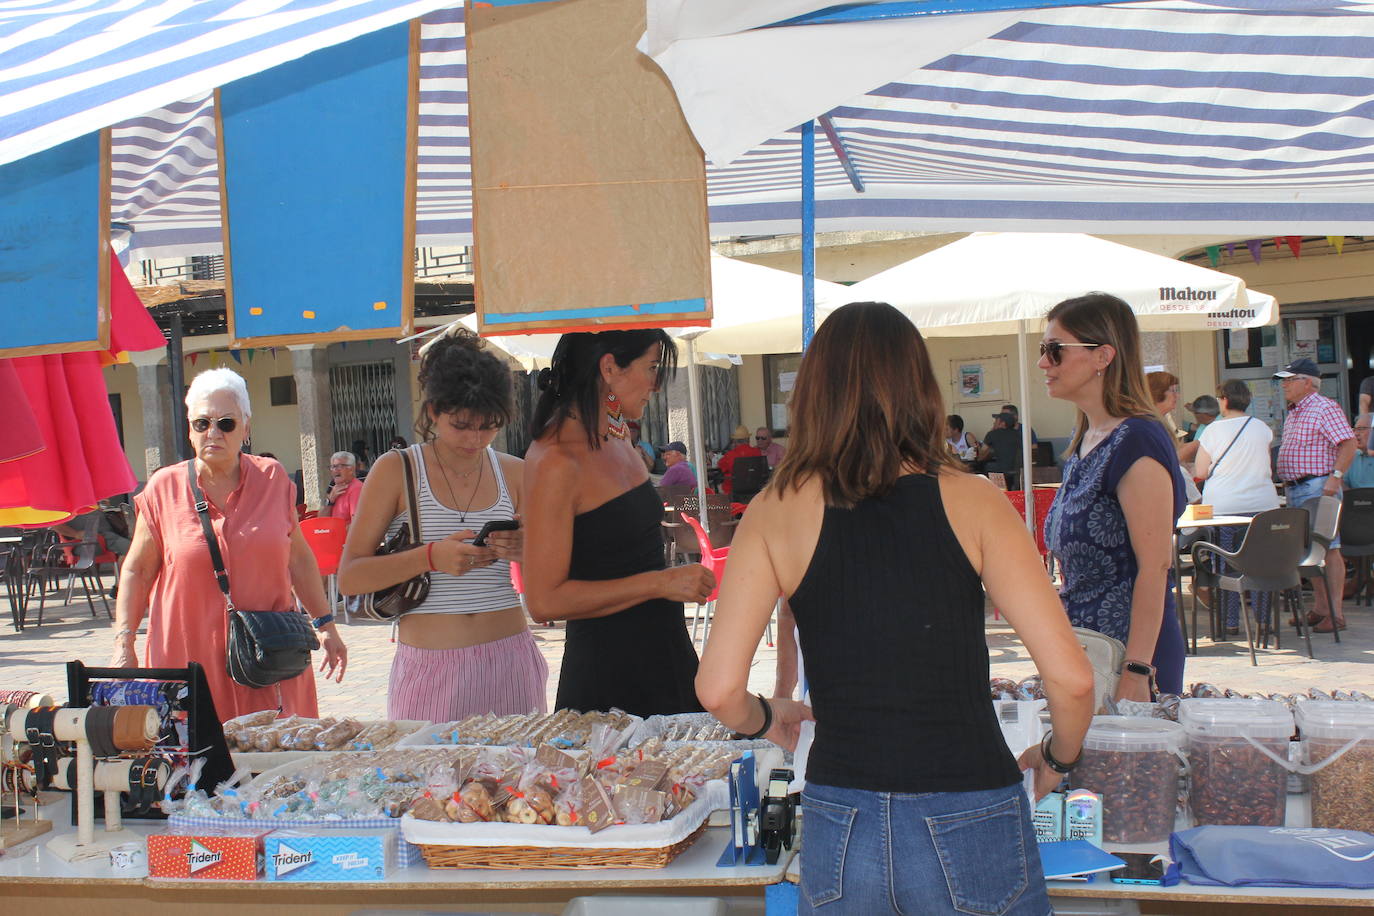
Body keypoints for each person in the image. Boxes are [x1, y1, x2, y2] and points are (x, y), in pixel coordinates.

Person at [697, 301, 1094, 915]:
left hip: (840, 812)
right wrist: (1057, 758)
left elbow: (719, 689)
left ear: (814, 394)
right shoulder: (974, 501)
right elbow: (1072, 679)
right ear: (921, 389)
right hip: (970, 802)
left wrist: (768, 718)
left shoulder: (776, 509)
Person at [110, 368, 346, 721]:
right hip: (189, 661)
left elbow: (298, 559)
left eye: (226, 423)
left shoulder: (272, 479)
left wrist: (325, 625)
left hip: (267, 659)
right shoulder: (164, 488)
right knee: (196, 753)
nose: (213, 433)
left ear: (246, 428)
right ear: (190, 430)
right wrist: (124, 642)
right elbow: (137, 571)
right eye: (202, 423)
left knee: (274, 752)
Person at [337, 330, 545, 721]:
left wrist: (527, 550)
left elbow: (550, 572)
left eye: (489, 426)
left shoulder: (515, 471)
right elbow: (350, 577)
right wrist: (430, 557)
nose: (475, 439)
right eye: (462, 425)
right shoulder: (397, 469)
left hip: (511, 658)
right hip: (431, 668)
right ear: (433, 411)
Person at [522, 330, 715, 717]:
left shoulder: (617, 432)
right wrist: (660, 583)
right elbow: (543, 601)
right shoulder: (556, 459)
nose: (656, 384)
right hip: (608, 674)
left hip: (666, 654)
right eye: (652, 367)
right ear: (609, 368)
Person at [1042, 293, 1187, 699]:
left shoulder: (1136, 439)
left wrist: (1137, 672)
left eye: (1055, 350)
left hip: (1128, 659)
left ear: (1103, 356)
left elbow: (1155, 567)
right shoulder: (1086, 439)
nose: (1043, 363)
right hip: (1088, 651)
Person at [1275, 358, 1356, 632]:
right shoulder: (1295, 411)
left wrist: (1335, 477)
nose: (1284, 385)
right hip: (1297, 488)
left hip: (1318, 486)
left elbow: (1348, 442)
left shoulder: (1324, 407)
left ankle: (1336, 613)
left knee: (1329, 549)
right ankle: (1321, 608)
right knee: (1309, 551)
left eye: (1290, 380)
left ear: (1307, 382)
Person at [1194, 380, 1279, 633]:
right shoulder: (1262, 428)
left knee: (1227, 566)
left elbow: (1201, 471)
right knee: (1261, 564)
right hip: (1263, 507)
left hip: (1224, 508)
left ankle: (1230, 622)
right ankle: (1263, 621)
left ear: (1224, 400)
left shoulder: (1212, 431)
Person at [717, 424, 763, 495]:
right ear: (748, 440)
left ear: (735, 441)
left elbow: (720, 465)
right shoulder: (757, 452)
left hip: (732, 490)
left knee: (716, 485)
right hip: (753, 489)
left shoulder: (730, 455)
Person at [321, 451, 364, 526]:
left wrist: (336, 532)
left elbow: (357, 524)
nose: (335, 470)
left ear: (351, 469)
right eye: (333, 467)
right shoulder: (335, 488)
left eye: (339, 466)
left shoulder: (356, 489)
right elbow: (321, 520)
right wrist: (330, 501)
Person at [980, 411, 1023, 485]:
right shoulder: (1018, 434)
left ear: (1003, 423)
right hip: (1018, 470)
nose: (994, 423)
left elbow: (982, 453)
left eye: (996, 421)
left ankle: (992, 489)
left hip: (1000, 470)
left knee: (986, 466)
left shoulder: (992, 434)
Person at [1349, 413, 1374, 490]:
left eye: (1361, 429)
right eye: (1354, 430)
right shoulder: (1351, 457)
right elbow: (1342, 483)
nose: (1355, 434)